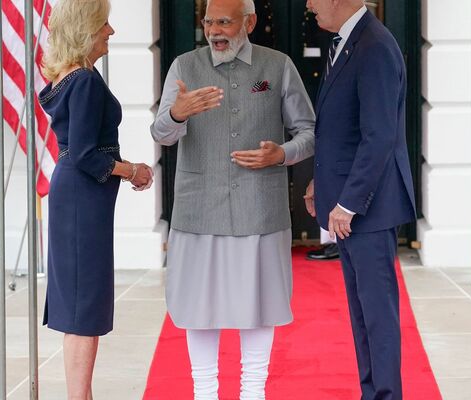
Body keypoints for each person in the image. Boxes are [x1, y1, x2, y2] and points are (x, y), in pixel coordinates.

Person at [150, 0, 315, 398]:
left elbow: (307, 131)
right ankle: (204, 392)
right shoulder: (184, 67)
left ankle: (253, 392)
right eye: (208, 21)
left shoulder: (278, 65)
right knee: (198, 308)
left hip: (260, 209)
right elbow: (160, 134)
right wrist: (176, 114)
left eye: (224, 21)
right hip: (198, 209)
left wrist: (282, 154)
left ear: (250, 22)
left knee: (259, 304)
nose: (214, 30)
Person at [39, 0, 153, 399]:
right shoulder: (84, 80)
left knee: (80, 303)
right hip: (81, 198)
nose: (111, 32)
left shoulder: (69, 76)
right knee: (83, 307)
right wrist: (132, 169)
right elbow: (87, 154)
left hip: (78, 196)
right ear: (85, 30)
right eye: (104, 24)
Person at [303, 1, 416, 399]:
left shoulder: (374, 46)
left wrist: (348, 203)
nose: (308, 5)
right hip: (354, 207)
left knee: (378, 318)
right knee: (363, 316)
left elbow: (379, 135)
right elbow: (340, 128)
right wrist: (321, 184)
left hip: (369, 209)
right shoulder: (348, 41)